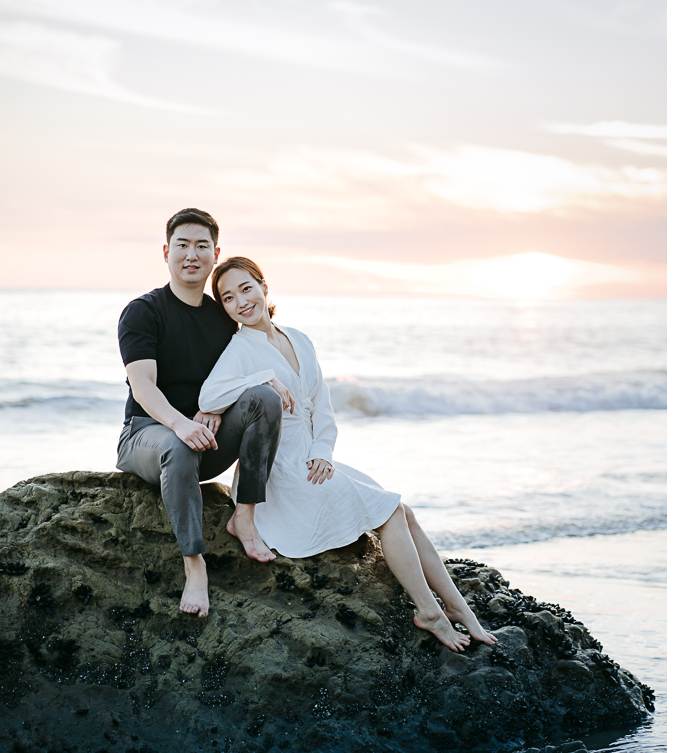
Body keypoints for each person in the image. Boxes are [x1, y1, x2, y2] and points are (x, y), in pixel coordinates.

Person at [199, 257, 497, 652]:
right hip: (279, 472)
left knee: (403, 511)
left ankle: (459, 608)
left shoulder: (299, 338)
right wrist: (261, 378)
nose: (241, 301)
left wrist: (323, 450)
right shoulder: (240, 349)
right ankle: (429, 611)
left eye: (246, 288)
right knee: (390, 512)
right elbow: (209, 396)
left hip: (310, 457)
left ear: (264, 287)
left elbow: (322, 405)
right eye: (228, 298)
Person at [115, 209, 283, 619]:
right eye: (182, 245)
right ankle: (195, 565)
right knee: (178, 444)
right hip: (147, 436)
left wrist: (219, 409)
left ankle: (244, 518)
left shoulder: (221, 317)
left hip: (205, 438)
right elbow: (143, 386)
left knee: (264, 397)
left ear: (215, 252)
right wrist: (182, 422)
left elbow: (235, 376)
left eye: (201, 246)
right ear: (166, 251)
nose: (192, 255)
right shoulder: (143, 311)